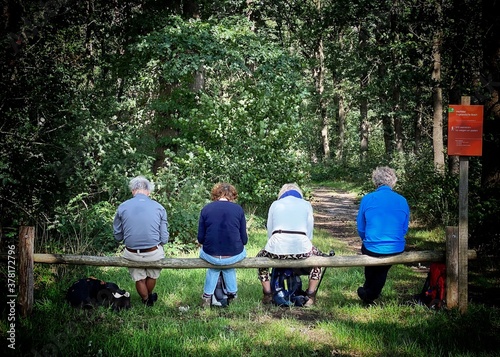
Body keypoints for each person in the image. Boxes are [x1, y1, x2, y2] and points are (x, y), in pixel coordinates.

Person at [256, 183, 324, 307]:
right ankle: (310, 296)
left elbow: (270, 230)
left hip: (276, 248)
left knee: (260, 259)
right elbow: (309, 233)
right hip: (301, 247)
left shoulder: (275, 204)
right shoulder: (306, 204)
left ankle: (267, 293)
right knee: (319, 260)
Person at [356, 166, 410, 305]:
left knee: (373, 264)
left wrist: (368, 240)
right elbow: (404, 228)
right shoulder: (402, 200)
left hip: (372, 246)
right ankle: (369, 293)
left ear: (375, 181)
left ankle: (369, 293)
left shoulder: (368, 199)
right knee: (381, 268)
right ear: (393, 182)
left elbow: (361, 228)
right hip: (396, 247)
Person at [113, 176, 169, 307]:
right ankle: (148, 298)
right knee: (152, 276)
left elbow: (117, 236)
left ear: (133, 190)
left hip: (132, 253)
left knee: (139, 278)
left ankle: (146, 299)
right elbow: (164, 238)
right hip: (153, 253)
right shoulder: (159, 207)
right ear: (148, 191)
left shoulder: (122, 207)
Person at [197, 183, 248, 308]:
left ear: (215, 195)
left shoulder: (206, 209)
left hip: (211, 256)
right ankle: (232, 296)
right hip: (233, 256)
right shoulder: (238, 210)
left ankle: (206, 298)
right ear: (232, 196)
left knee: (214, 266)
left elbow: (200, 238)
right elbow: (244, 240)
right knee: (228, 264)